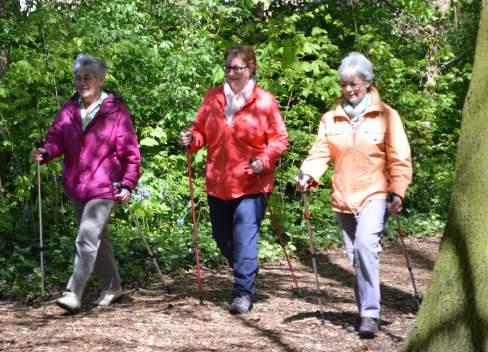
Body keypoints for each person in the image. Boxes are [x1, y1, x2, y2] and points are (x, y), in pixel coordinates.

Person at [296, 52, 412, 338]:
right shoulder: (331, 118)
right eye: (344, 84)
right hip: (343, 197)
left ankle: (370, 314)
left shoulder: (387, 115)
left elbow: (400, 157)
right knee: (357, 258)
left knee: (364, 247)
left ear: (368, 83)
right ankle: (364, 312)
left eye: (354, 84)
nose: (348, 89)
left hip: (375, 192)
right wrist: (307, 175)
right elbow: (320, 152)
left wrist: (398, 190)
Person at [180, 44, 288, 314]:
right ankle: (246, 267)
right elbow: (201, 132)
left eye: (238, 68)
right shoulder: (213, 97)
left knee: (245, 236)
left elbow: (279, 139)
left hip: (252, 181)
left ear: (251, 69)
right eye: (228, 68)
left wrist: (264, 160)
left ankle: (242, 291)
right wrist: (191, 139)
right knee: (222, 237)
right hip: (219, 180)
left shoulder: (264, 101)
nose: (232, 73)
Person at [32, 53, 141, 313]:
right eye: (78, 78)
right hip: (77, 186)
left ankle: (73, 292)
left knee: (86, 236)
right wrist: (46, 152)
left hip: (106, 186)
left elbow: (130, 152)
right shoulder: (69, 109)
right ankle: (113, 286)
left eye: (87, 77)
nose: (82, 82)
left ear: (101, 79)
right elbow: (56, 138)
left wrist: (127, 184)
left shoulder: (115, 111)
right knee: (96, 238)